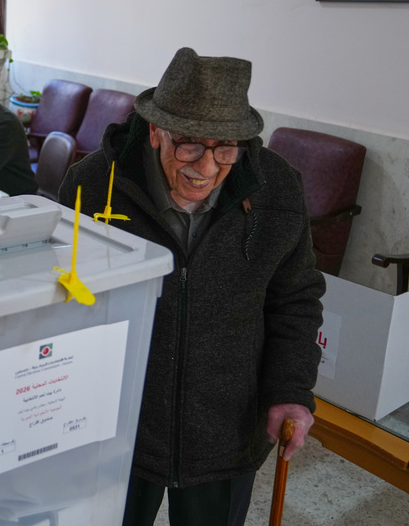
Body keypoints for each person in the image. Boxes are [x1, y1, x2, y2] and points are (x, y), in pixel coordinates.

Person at [60, 48, 324, 526]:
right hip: (117, 428)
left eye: (225, 148)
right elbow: (62, 304)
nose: (206, 167)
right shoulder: (92, 185)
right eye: (189, 145)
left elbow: (296, 298)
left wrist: (289, 388)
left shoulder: (276, 189)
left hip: (226, 428)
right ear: (156, 130)